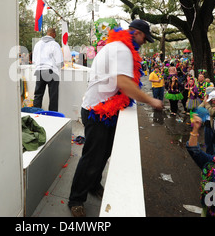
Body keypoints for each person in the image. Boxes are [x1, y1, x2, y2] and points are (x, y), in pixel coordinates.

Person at [68, 19, 164, 217]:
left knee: (103, 154)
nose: (144, 44)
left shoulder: (118, 47)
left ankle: (94, 184)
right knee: (92, 158)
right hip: (97, 112)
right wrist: (151, 101)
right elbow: (124, 83)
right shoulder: (122, 50)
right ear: (137, 33)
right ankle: (76, 199)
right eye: (145, 39)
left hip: (106, 110)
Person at [32, 28, 64, 112]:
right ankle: (52, 118)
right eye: (55, 34)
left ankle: (35, 115)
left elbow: (34, 60)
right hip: (51, 71)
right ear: (53, 34)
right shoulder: (54, 44)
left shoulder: (37, 44)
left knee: (38, 95)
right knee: (53, 97)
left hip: (39, 71)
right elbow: (59, 62)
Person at [199, 86, 215, 156]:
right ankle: (209, 157)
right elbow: (199, 108)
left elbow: (212, 112)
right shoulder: (207, 101)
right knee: (208, 143)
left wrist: (207, 105)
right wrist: (205, 102)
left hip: (213, 126)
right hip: (207, 125)